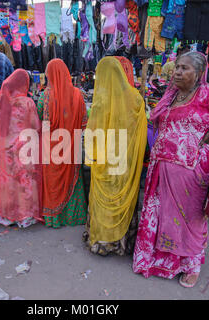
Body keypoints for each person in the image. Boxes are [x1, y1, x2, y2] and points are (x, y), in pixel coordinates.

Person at [132, 51, 209, 288]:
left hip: (191, 169)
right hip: (162, 166)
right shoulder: (171, 96)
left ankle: (191, 266)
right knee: (162, 216)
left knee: (189, 220)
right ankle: (161, 260)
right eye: (177, 67)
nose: (178, 72)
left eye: (184, 68)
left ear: (199, 73)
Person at [83, 56, 147, 256]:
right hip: (126, 158)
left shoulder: (100, 100)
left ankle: (102, 240)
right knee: (122, 195)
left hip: (104, 158)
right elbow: (141, 130)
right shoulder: (135, 98)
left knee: (103, 195)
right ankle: (122, 241)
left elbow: (92, 132)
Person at [36, 59, 88, 228]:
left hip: (51, 149)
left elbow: (41, 122)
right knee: (73, 181)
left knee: (52, 183)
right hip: (71, 147)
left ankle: (54, 219)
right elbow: (83, 122)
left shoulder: (45, 96)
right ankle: (74, 217)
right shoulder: (78, 95)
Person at [0, 69, 43, 228]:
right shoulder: (27, 102)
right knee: (23, 182)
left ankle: (6, 215)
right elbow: (35, 126)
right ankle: (24, 216)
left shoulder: (0, 101)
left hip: (4, 149)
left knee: (7, 182)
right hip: (22, 148)